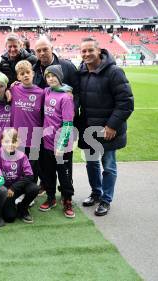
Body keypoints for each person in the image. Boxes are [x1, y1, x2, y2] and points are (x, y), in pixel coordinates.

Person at [78, 38, 134, 216]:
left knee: (108, 166)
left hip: (108, 130)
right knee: (91, 164)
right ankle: (96, 193)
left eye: (90, 51)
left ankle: (106, 199)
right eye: (83, 51)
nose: (86, 54)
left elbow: (126, 102)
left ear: (99, 51)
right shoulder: (81, 71)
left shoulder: (114, 72)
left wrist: (112, 126)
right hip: (89, 130)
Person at [38, 65, 76, 219]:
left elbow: (68, 124)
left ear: (60, 77)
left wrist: (61, 145)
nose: (51, 79)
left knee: (64, 175)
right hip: (47, 143)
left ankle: (67, 200)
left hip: (62, 146)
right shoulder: (47, 91)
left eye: (54, 76)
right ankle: (51, 197)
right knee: (48, 173)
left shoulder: (66, 97)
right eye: (48, 76)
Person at [0, 129, 39, 224]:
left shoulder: (21, 156)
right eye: (6, 141)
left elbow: (29, 176)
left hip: (15, 188)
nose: (10, 144)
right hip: (3, 189)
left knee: (34, 188)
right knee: (10, 218)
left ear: (17, 143)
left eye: (13, 141)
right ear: (1, 141)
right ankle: (4, 204)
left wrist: (14, 187)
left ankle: (23, 208)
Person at [10, 60, 45, 183]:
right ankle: (20, 191)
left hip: (34, 135)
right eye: (22, 73)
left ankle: (31, 192)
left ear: (33, 73)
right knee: (19, 164)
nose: (25, 75)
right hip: (17, 135)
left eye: (27, 72)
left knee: (32, 166)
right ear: (18, 76)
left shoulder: (41, 93)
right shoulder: (13, 89)